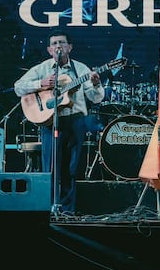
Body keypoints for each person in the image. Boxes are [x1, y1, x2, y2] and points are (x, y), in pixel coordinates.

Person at [13, 29, 104, 215]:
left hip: (76, 121)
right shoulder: (43, 68)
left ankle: (67, 212)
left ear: (69, 47)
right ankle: (48, 210)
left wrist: (95, 83)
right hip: (50, 122)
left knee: (71, 169)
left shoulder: (81, 69)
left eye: (62, 43)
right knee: (50, 169)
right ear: (48, 49)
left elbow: (96, 98)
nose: (58, 46)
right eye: (54, 44)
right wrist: (41, 84)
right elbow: (18, 87)